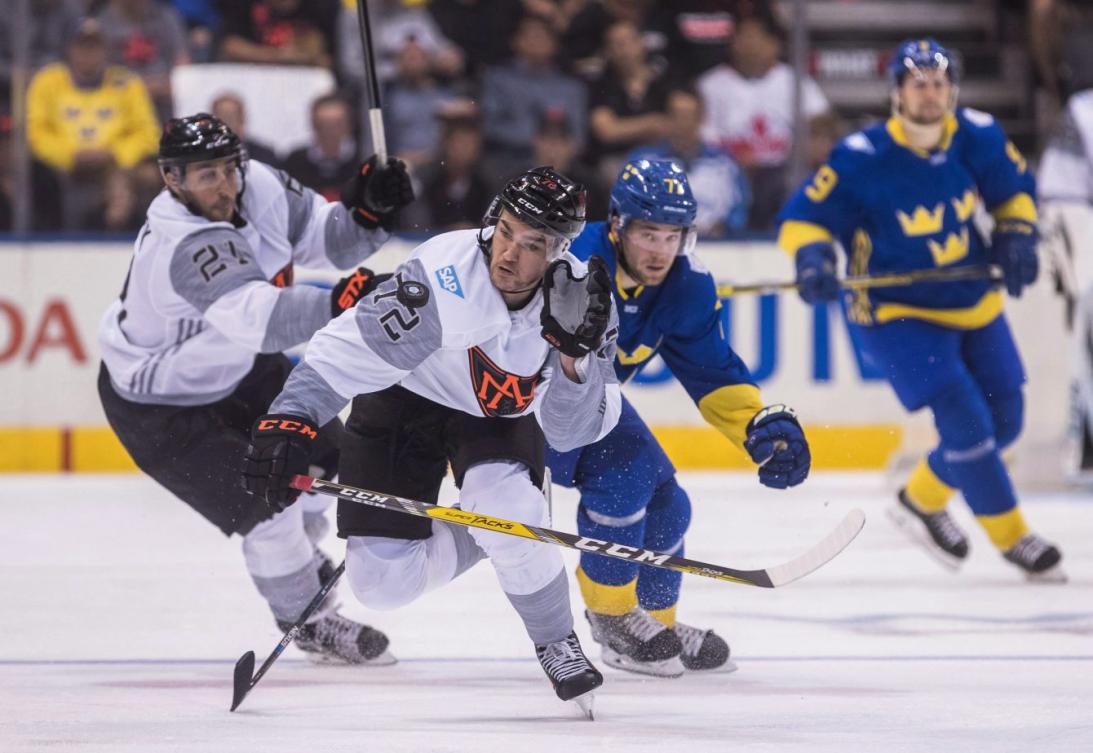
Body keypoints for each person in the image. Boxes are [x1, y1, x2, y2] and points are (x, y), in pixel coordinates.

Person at [241, 167, 619, 715]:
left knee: (507, 506)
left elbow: (570, 432)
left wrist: (572, 357)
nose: (509, 254)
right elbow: (343, 350)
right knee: (381, 585)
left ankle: (554, 635)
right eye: (507, 230)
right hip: (404, 399)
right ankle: (501, 534)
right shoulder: (440, 281)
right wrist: (290, 420)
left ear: (559, 249)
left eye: (533, 243)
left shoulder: (585, 302)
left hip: (493, 418)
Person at [96, 112, 416, 662]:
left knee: (332, 462)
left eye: (227, 168)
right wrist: (341, 302)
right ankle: (308, 619)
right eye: (206, 175)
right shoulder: (181, 244)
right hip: (160, 406)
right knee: (271, 507)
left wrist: (367, 213)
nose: (224, 184)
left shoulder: (259, 183)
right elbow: (261, 319)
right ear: (172, 180)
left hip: (238, 367)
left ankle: (296, 558)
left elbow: (328, 241)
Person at [777, 39, 1064, 581]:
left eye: (938, 83)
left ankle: (920, 499)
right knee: (966, 419)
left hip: (969, 295)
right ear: (897, 93)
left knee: (1006, 420)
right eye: (918, 84)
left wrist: (1018, 234)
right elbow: (804, 218)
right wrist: (814, 257)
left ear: (951, 90)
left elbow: (1013, 192)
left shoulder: (977, 134)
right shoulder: (863, 156)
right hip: (892, 310)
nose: (930, 94)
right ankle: (1014, 536)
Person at [547, 158, 812, 677]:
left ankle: (653, 622)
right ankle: (613, 618)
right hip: (515, 408)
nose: (660, 250)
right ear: (618, 224)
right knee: (626, 475)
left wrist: (757, 426)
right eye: (648, 233)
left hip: (590, 404)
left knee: (670, 504)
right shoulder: (572, 260)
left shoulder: (686, 285)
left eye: (673, 235)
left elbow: (712, 371)